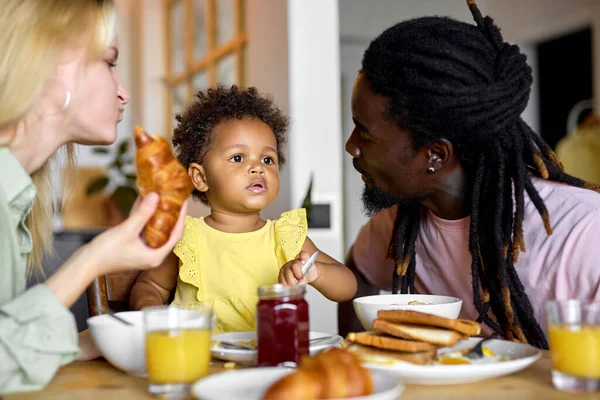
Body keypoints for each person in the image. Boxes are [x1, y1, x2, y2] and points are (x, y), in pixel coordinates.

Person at [338, 0, 600, 349]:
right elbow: (356, 274)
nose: (351, 147)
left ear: (435, 154)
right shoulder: (402, 223)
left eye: (365, 134)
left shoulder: (583, 232)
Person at [0, 0, 186, 393]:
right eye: (110, 62)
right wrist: (94, 259)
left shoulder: (15, 195)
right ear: (50, 66)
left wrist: (81, 343)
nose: (124, 94)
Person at [130, 86, 357, 333]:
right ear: (200, 177)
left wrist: (316, 272)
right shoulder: (187, 239)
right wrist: (151, 311)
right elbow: (149, 286)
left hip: (269, 361)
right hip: (200, 364)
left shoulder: (285, 237)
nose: (258, 168)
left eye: (267, 159)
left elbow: (348, 286)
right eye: (238, 158)